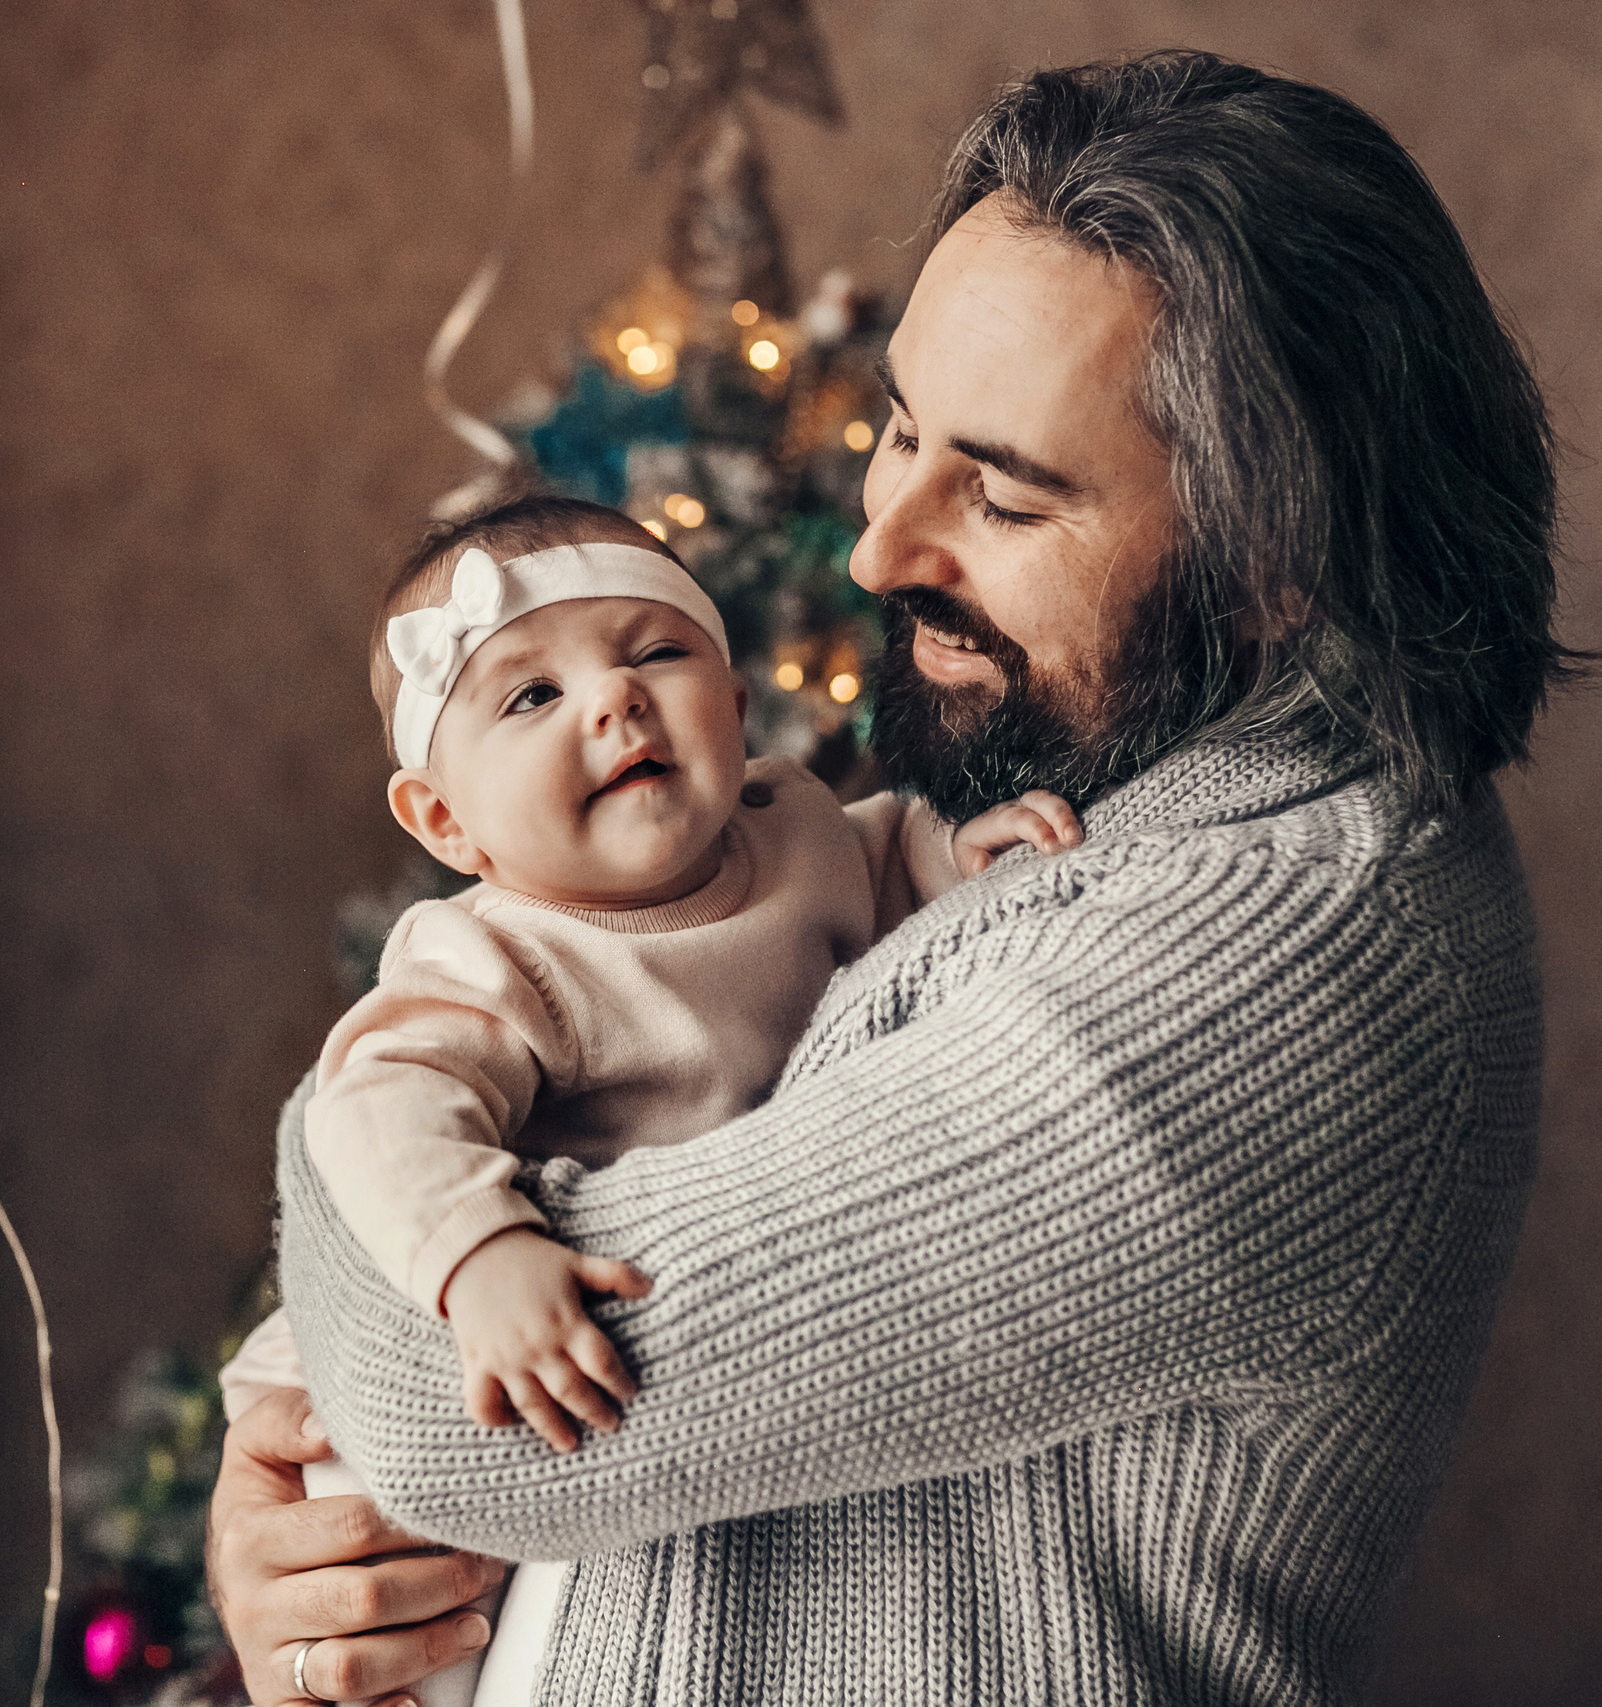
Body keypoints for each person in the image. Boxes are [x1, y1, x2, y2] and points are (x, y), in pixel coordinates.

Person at [209, 48, 1579, 1707]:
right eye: (897, 430)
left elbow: (463, 1421)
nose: (878, 546)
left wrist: (358, 1112)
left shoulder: (1278, 954)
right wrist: (282, 1505)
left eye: (996, 494)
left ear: (1278, 563)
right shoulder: (1100, 791)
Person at [215, 495, 1075, 1706]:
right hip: (423, 1295)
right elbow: (375, 1106)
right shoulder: (500, 958)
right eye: (530, 696)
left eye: (655, 653)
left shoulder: (795, 825)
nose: (612, 701)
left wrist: (957, 857)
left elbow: (883, 855)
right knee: (411, 1599)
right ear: (444, 820)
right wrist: (483, 1253)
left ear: (732, 704)